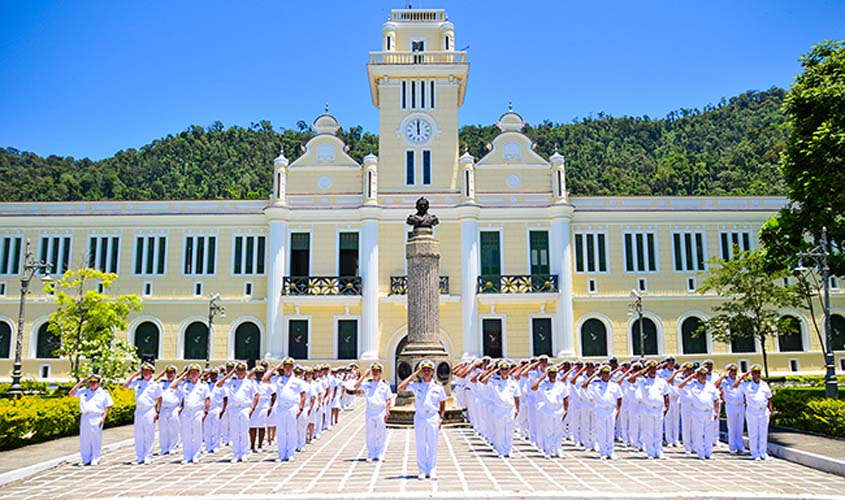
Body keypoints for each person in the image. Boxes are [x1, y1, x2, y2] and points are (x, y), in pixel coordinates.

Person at [397, 359, 446, 480]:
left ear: (432, 372)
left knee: (432, 444)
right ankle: (422, 470)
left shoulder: (438, 387)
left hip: (433, 417)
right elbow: (401, 387)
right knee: (420, 444)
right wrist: (414, 374)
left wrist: (441, 417)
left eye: (428, 370)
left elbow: (442, 402)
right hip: (420, 417)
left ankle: (432, 470)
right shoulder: (416, 385)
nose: (426, 373)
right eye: (424, 370)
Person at [265, 357, 308, 462]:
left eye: (290, 367)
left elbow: (303, 395)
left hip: (292, 407)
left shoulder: (297, 381)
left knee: (291, 431)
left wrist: (301, 408)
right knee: (281, 431)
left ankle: (290, 453)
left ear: (293, 368)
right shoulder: (278, 379)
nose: (288, 369)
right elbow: (265, 379)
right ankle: (281, 454)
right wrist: (278, 366)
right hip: (280, 408)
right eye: (286, 367)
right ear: (283, 368)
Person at [218, 361, 259, 462]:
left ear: (245, 371)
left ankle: (244, 453)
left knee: (244, 432)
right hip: (234, 408)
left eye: (242, 370)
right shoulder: (231, 381)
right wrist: (230, 373)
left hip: (245, 408)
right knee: (235, 432)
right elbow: (219, 384)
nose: (240, 372)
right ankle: (236, 453)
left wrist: (252, 409)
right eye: (239, 370)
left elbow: (256, 395)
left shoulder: (250, 382)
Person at [70, 374, 114, 466]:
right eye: (91, 382)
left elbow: (108, 406)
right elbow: (71, 393)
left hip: (96, 416)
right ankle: (86, 459)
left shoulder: (103, 392)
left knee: (95, 438)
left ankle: (95, 457)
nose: (92, 384)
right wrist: (80, 383)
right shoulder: (84, 391)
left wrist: (103, 418)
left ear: (98, 382)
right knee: (84, 439)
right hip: (85, 417)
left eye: (95, 382)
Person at [353, 362, 393, 461]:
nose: (376, 373)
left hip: (380, 411)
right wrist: (364, 376)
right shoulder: (368, 384)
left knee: (381, 433)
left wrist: (387, 411)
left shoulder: (385, 385)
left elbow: (388, 399)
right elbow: (355, 386)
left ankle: (380, 453)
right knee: (370, 433)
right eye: (374, 371)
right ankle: (371, 453)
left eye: (378, 371)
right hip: (370, 411)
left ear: (381, 372)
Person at [123, 362, 162, 465]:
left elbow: (160, 398)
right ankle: (139, 457)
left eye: (148, 371)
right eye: (144, 371)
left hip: (149, 410)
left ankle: (148, 456)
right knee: (139, 434)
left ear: (151, 373)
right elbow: (125, 385)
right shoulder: (138, 383)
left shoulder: (155, 385)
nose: (145, 373)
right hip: (139, 411)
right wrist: (135, 374)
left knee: (149, 434)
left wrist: (157, 411)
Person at [679, 365, 721, 459]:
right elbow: (680, 386)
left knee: (709, 433)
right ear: (697, 375)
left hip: (709, 412)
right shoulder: (692, 384)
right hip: (697, 412)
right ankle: (700, 453)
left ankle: (708, 452)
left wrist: (716, 412)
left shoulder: (710, 385)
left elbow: (716, 399)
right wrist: (691, 376)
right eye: (701, 375)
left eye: (705, 374)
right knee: (698, 433)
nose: (703, 376)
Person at [480, 359, 520, 458]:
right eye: (502, 369)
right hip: (499, 409)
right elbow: (483, 381)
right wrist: (494, 371)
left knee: (509, 430)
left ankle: (509, 449)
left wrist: (517, 409)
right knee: (499, 430)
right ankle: (501, 450)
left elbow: (517, 396)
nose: (504, 371)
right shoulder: (494, 381)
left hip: (510, 409)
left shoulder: (513, 383)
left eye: (506, 369)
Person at [171, 363, 210, 464]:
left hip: (198, 412)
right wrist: (184, 374)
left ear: (199, 374)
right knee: (186, 435)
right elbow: (173, 385)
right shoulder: (185, 385)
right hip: (186, 412)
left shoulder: (203, 386)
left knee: (197, 434)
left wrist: (205, 412)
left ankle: (196, 455)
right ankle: (187, 456)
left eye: (195, 373)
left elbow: (207, 399)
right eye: (191, 372)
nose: (193, 374)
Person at [584, 364, 623, 460]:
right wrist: (594, 375)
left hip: (611, 410)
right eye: (604, 373)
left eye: (607, 373)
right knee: (601, 432)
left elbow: (619, 398)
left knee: (610, 431)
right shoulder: (595, 384)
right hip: (600, 410)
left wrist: (618, 410)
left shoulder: (614, 385)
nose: (606, 375)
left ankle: (611, 451)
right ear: (600, 374)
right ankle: (603, 452)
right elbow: (584, 386)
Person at [633, 360, 670, 459]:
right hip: (647, 408)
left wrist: (667, 407)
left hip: (659, 409)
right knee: (648, 431)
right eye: (650, 368)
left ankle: (659, 451)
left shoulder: (661, 381)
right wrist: (644, 371)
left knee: (658, 431)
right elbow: (631, 379)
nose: (653, 370)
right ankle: (650, 452)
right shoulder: (642, 380)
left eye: (654, 368)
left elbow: (666, 395)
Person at [735, 364, 773, 460]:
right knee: (753, 433)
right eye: (755, 373)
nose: (757, 374)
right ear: (751, 374)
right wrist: (744, 375)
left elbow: (769, 398)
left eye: (758, 373)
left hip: (763, 411)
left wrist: (770, 409)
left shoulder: (764, 385)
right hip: (752, 410)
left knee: (763, 433)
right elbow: (735, 385)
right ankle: (755, 453)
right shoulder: (746, 385)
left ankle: (763, 453)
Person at [532, 364, 569, 458]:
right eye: (550, 373)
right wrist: (542, 378)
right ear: (547, 374)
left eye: (554, 373)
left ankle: (558, 450)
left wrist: (565, 410)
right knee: (548, 430)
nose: (553, 375)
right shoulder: (543, 384)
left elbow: (565, 398)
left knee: (558, 431)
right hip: (548, 409)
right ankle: (548, 450)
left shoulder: (561, 385)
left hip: (558, 409)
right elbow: (533, 388)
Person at [716, 363, 746, 455]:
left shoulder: (740, 380)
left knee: (740, 427)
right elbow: (715, 386)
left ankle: (740, 446)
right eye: (731, 371)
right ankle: (732, 447)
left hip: (741, 405)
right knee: (732, 427)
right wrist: (722, 377)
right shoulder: (725, 381)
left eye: (735, 370)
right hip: (731, 405)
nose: (734, 372)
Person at [157, 365, 182, 456]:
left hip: (174, 408)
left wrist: (180, 408)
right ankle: (164, 448)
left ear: (175, 374)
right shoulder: (161, 384)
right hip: (163, 409)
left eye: (171, 373)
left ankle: (173, 447)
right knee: (163, 429)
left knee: (173, 429)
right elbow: (154, 381)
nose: (169, 375)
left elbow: (183, 397)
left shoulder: (179, 385)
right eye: (168, 373)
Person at [250, 365, 275, 453]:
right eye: (257, 373)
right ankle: (252, 445)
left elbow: (273, 395)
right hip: (253, 407)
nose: (259, 375)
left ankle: (260, 445)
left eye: (261, 373)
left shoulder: (267, 385)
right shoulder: (251, 383)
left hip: (263, 407)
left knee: (261, 427)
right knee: (252, 427)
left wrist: (271, 406)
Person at [205, 367, 227, 454]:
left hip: (216, 409)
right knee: (207, 429)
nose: (213, 376)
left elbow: (225, 398)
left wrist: (223, 409)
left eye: (215, 374)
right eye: (212, 374)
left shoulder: (220, 386)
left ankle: (215, 446)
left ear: (218, 376)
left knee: (216, 429)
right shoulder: (205, 385)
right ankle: (208, 446)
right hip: (207, 409)